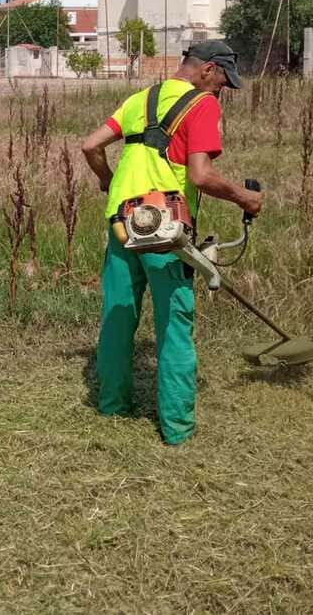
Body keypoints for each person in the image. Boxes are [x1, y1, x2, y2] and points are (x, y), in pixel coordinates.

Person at [80, 40, 263, 446]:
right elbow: (200, 176)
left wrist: (109, 180)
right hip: (166, 230)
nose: (221, 92)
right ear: (208, 70)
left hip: (122, 222)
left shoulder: (140, 99)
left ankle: (112, 405)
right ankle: (177, 429)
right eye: (222, 82)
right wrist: (245, 198)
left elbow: (90, 145)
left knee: (119, 315)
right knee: (174, 324)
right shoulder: (203, 104)